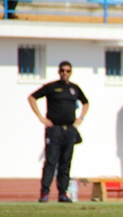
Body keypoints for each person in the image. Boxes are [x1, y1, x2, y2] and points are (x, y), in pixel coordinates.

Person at [28, 61, 89, 203]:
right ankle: (44, 193)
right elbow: (32, 97)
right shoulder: (52, 87)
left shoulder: (74, 89)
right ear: (58, 71)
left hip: (69, 129)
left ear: (71, 72)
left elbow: (85, 102)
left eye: (67, 71)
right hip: (54, 129)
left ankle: (63, 193)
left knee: (66, 162)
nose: (65, 73)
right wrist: (41, 118)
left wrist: (80, 118)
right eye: (62, 70)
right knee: (51, 161)